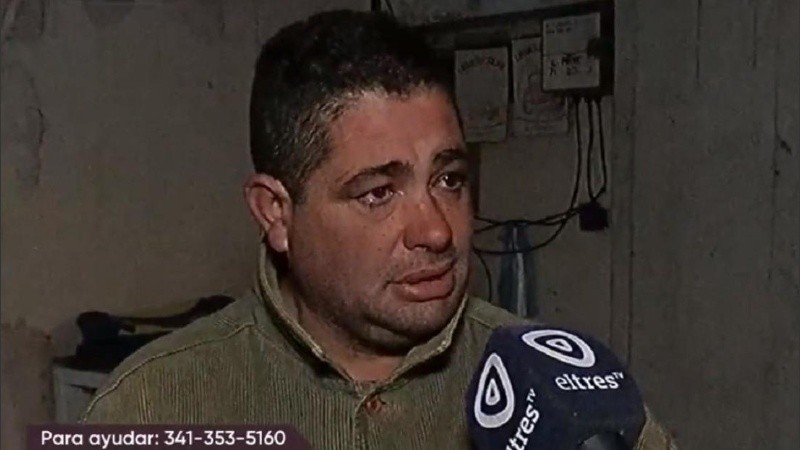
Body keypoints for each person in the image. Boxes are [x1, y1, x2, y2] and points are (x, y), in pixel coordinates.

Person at [82, 10, 677, 449]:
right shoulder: (151, 407)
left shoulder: (565, 390)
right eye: (378, 193)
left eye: (448, 180)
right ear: (276, 213)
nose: (436, 232)